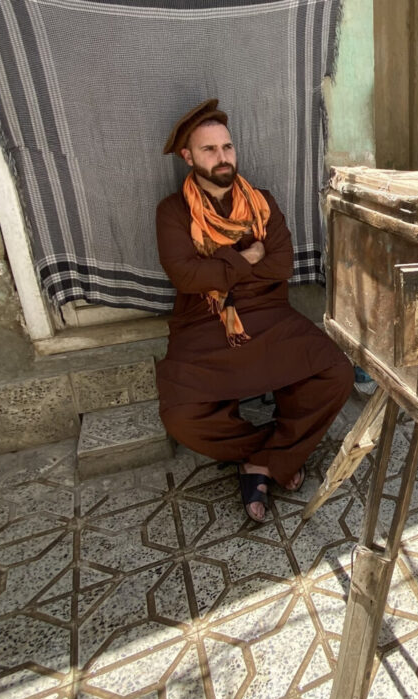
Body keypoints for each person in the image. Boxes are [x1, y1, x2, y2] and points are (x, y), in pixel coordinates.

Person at [156, 99, 353, 522]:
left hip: (269, 314)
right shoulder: (173, 212)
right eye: (209, 150)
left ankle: (263, 463)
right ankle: (269, 452)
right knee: (180, 415)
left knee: (334, 371)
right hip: (204, 322)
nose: (222, 157)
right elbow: (187, 279)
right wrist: (246, 259)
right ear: (188, 157)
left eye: (227, 147)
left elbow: (281, 265)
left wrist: (219, 270)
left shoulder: (261, 202)